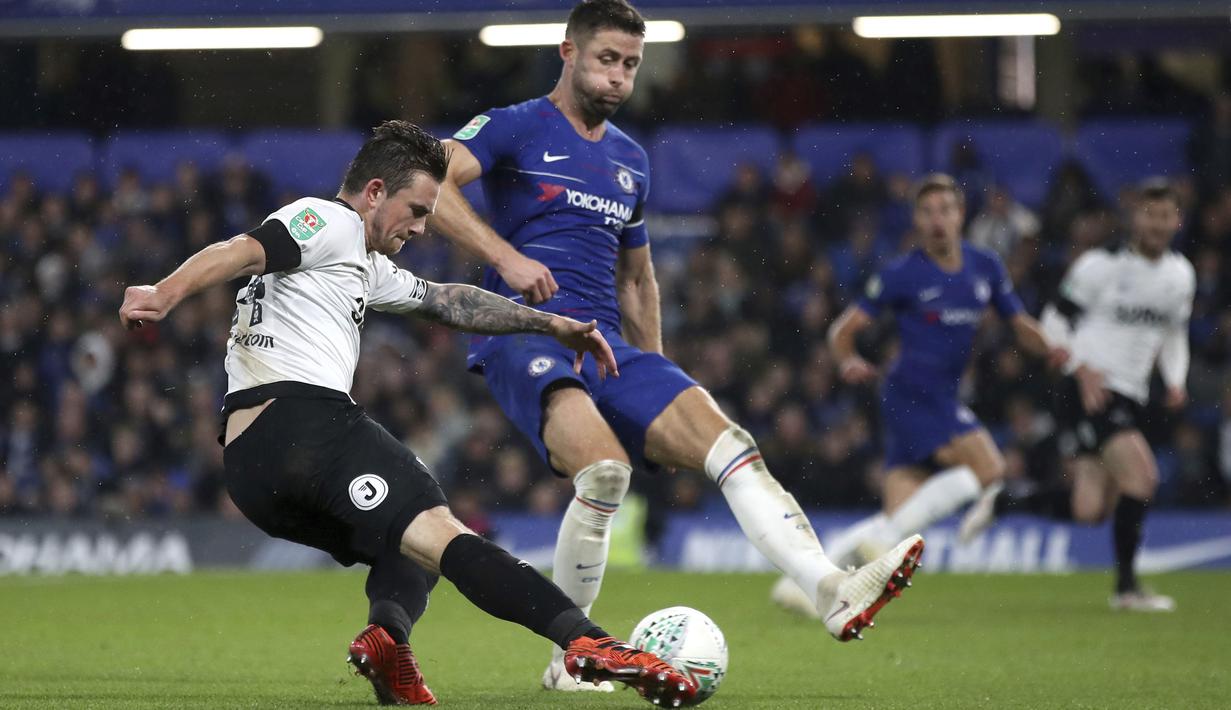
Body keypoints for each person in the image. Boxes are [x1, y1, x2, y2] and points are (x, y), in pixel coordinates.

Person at [428, 0, 925, 691]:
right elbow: (431, 184)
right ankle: (572, 656)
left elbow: (637, 277)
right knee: (602, 474)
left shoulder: (631, 160)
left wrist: (655, 365)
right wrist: (505, 258)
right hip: (526, 331)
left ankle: (828, 590)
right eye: (606, 60)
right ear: (567, 53)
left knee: (730, 442)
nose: (618, 79)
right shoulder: (514, 126)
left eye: (630, 65)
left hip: (608, 344)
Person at [117, 120, 696, 707]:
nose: (422, 227)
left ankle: (389, 642)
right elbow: (242, 249)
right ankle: (590, 643)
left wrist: (550, 324)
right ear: (373, 192)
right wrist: (164, 293)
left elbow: (448, 300)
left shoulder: (362, 264)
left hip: (251, 471)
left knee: (410, 545)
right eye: (416, 209)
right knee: (445, 532)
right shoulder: (327, 222)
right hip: (302, 423)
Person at [771, 174, 1065, 617]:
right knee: (989, 469)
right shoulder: (902, 273)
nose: (937, 220)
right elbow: (841, 331)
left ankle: (802, 581)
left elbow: (1018, 322)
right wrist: (848, 358)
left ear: (961, 215)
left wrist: (1055, 349)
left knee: (897, 519)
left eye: (946, 210)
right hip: (910, 392)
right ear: (916, 219)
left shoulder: (985, 266)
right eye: (927, 212)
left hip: (941, 396)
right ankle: (875, 548)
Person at [989, 179, 1194, 612]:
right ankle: (1127, 589)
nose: (1157, 224)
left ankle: (1008, 501)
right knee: (1143, 477)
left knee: (1090, 509)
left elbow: (1173, 335)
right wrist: (1079, 368)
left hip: (1132, 393)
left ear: (1176, 220)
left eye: (1165, 216)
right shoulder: (1100, 267)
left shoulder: (1181, 276)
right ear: (1135, 216)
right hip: (1091, 388)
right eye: (1149, 214)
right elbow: (1053, 323)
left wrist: (1175, 380)